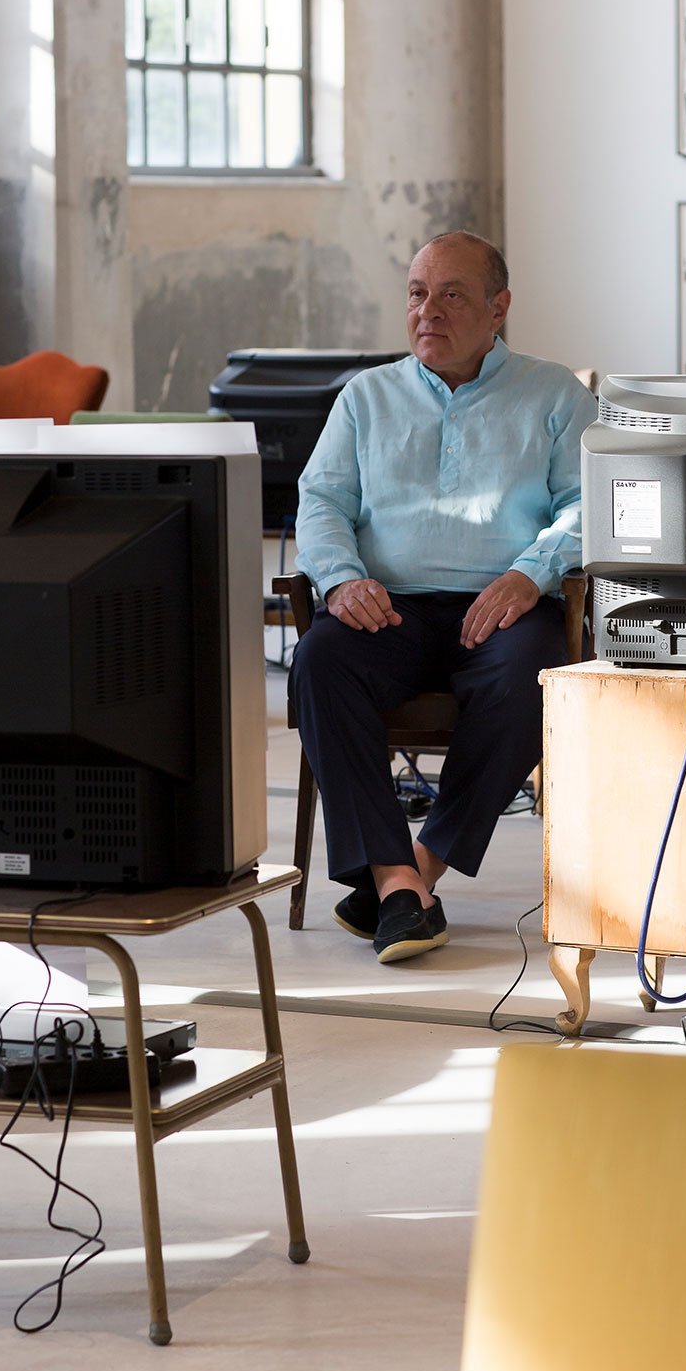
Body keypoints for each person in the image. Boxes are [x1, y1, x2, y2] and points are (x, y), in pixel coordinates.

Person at [290, 230, 596, 964]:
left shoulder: (554, 393)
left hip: (506, 608)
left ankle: (410, 879)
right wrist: (339, 578)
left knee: (536, 680)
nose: (428, 311)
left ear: (500, 307)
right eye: (418, 294)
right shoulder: (366, 396)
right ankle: (401, 884)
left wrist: (532, 573)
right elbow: (321, 500)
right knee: (319, 661)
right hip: (386, 608)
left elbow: (591, 505)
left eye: (452, 294)